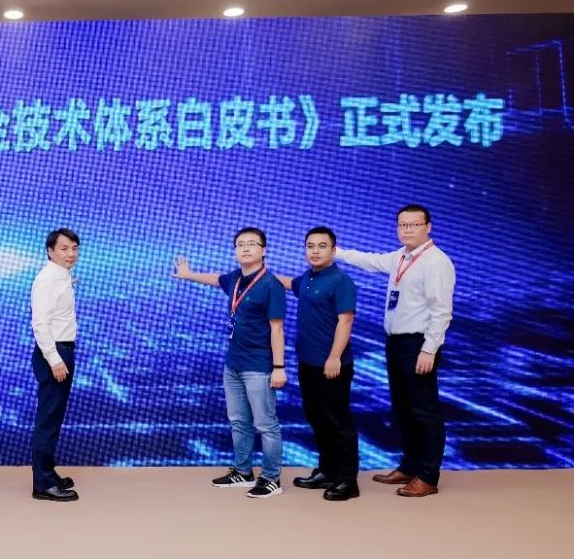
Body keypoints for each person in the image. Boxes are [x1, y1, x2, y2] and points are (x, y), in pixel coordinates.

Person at [336, 204, 455, 498]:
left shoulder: (436, 262)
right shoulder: (400, 257)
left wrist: (429, 349)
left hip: (418, 344)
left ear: (428, 227)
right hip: (396, 343)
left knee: (425, 410)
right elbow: (370, 260)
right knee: (404, 408)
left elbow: (442, 311)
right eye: (402, 225)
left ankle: (428, 476)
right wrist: (335, 251)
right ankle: (410, 465)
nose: (407, 230)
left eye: (414, 224)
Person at [174, 227, 287, 499]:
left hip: (259, 366)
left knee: (266, 424)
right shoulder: (236, 278)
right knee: (238, 421)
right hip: (233, 363)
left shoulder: (271, 285)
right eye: (240, 244)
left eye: (252, 244)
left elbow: (277, 329)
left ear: (264, 250)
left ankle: (271, 478)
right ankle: (243, 471)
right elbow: (216, 279)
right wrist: (189, 275)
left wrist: (279, 368)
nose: (245, 248)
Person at [275, 227, 360, 501]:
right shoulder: (308, 278)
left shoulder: (341, 281)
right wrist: (257, 273)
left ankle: (347, 480)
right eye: (310, 246)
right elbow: (289, 283)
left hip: (332, 364)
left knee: (338, 421)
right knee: (317, 418)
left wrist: (334, 357)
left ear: (333, 250)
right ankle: (328, 471)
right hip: (308, 362)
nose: (315, 251)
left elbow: (346, 320)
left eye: (322, 246)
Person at [30, 228, 81, 502]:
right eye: (64, 248)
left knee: (54, 417)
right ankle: (43, 484)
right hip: (55, 352)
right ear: (50, 251)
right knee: (48, 419)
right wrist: (54, 358)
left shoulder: (60, 276)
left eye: (74, 248)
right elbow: (40, 323)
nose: (70, 253)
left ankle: (48, 473)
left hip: (62, 350)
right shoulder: (48, 279)